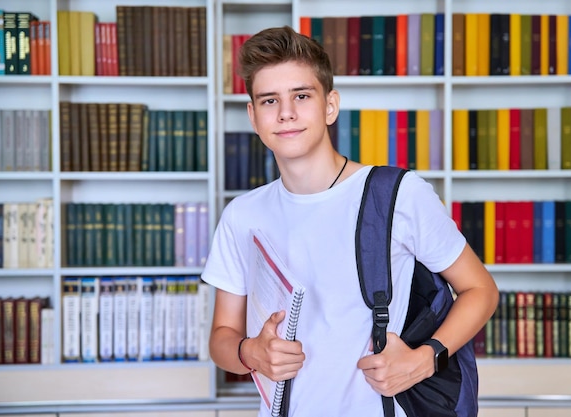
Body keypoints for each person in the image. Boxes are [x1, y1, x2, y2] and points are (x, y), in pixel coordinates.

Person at [203, 25, 499, 416]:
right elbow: (222, 338)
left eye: (301, 96)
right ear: (253, 117)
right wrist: (250, 352)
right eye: (269, 100)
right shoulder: (242, 215)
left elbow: (481, 290)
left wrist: (424, 359)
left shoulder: (398, 195)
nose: (286, 113)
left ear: (330, 105)